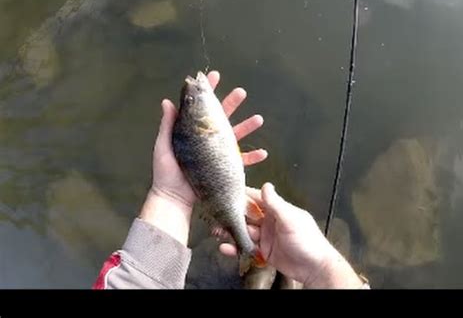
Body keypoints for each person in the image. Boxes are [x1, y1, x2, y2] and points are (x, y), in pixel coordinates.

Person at [92, 71, 370, 290]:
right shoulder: (207, 124)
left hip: (217, 186)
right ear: (201, 122)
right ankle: (259, 262)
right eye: (190, 101)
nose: (192, 90)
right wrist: (322, 269)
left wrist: (167, 195)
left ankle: (258, 263)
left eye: (188, 100)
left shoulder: (205, 125)